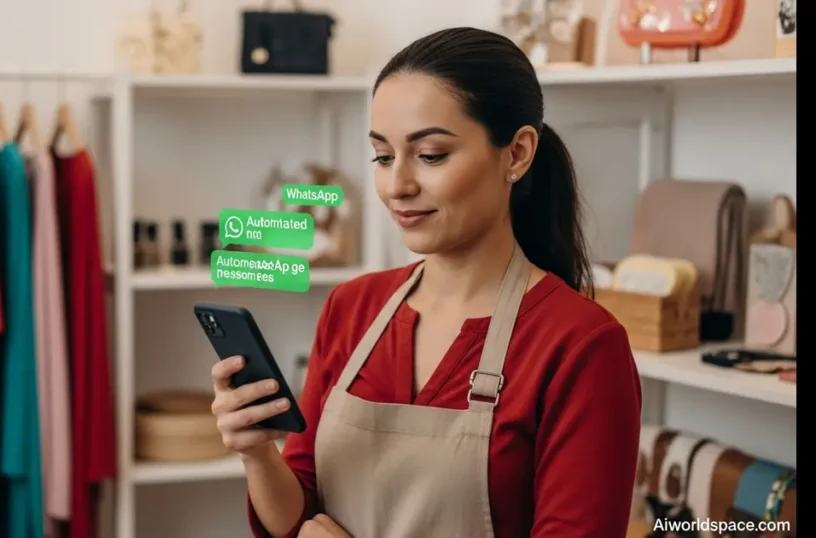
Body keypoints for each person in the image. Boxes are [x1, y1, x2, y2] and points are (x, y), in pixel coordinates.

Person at [210, 27, 642, 538]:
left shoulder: (581, 345)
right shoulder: (352, 308)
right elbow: (300, 517)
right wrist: (257, 451)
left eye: (431, 155)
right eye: (383, 156)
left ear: (518, 154)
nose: (397, 186)